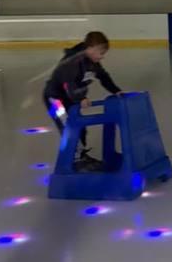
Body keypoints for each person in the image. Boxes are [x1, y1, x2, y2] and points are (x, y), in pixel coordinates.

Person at [43, 31, 122, 169]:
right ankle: (75, 159)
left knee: (80, 127)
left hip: (70, 99)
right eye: (100, 52)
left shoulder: (92, 62)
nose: (102, 56)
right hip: (55, 99)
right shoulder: (73, 61)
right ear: (90, 48)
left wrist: (116, 90)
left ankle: (80, 156)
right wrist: (81, 98)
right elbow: (69, 83)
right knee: (68, 126)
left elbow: (103, 77)